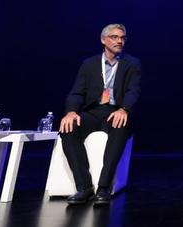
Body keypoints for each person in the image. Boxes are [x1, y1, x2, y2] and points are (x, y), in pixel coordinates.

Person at [59, 23, 141, 206]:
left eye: (122, 37)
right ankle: (84, 187)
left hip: (116, 111)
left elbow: (133, 91)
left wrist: (124, 109)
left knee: (120, 127)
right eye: (115, 37)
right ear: (103, 40)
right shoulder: (89, 64)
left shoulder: (132, 63)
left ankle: (103, 187)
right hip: (93, 111)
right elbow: (76, 92)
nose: (119, 41)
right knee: (68, 129)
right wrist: (71, 112)